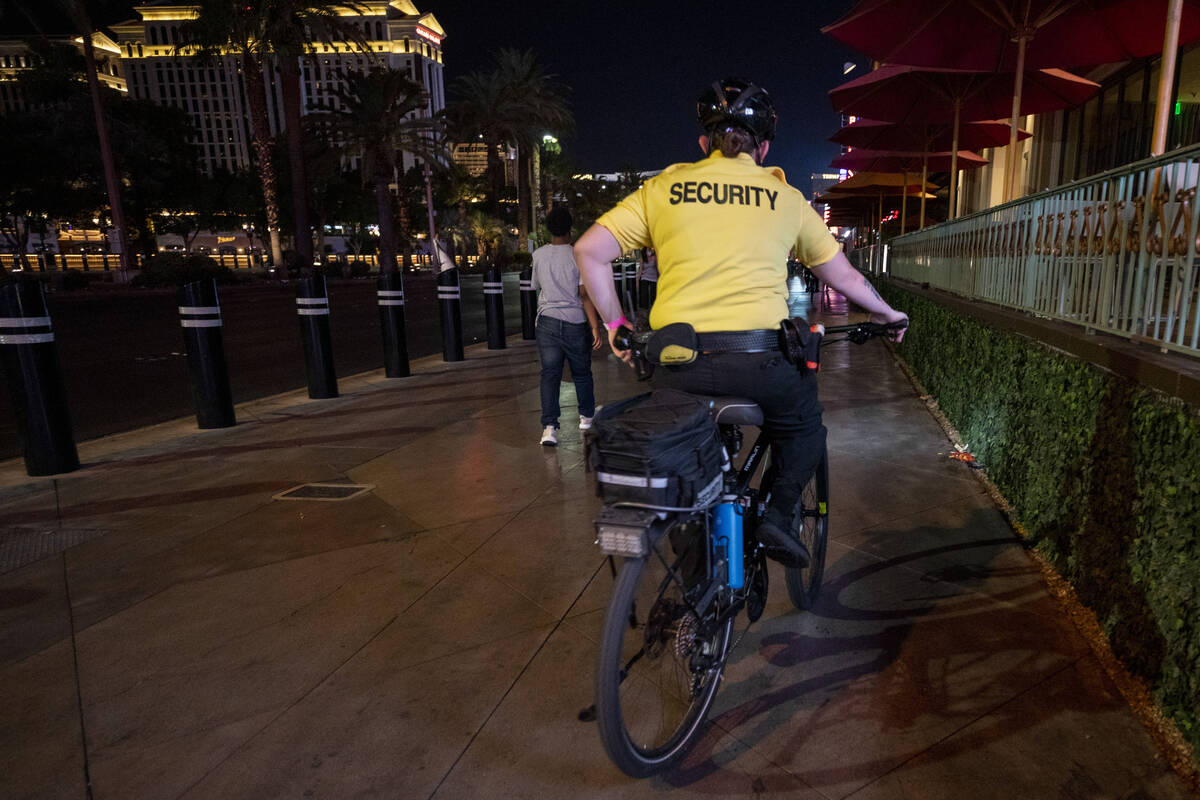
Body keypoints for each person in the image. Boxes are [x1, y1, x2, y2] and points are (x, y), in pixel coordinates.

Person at [574, 78, 908, 567]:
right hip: (760, 361)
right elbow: (844, 276)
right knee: (804, 429)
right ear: (764, 147)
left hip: (678, 360)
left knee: (685, 462)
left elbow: (588, 251)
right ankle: (776, 516)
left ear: (704, 143)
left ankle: (696, 599)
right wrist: (887, 312)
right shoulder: (787, 198)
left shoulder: (663, 188)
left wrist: (616, 325)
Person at [532, 205, 603, 447]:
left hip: (547, 322)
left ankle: (549, 428)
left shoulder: (538, 255)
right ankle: (586, 418)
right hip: (574, 321)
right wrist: (595, 327)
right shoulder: (577, 256)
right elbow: (584, 295)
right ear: (569, 230)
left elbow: (537, 286)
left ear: (548, 229)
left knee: (550, 375)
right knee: (581, 372)